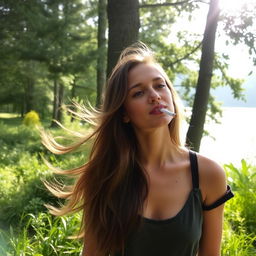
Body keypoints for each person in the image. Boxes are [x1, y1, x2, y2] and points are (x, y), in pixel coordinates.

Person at [42, 42, 234, 256]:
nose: (155, 96)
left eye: (160, 86)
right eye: (138, 93)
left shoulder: (208, 174)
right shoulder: (106, 177)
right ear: (124, 113)